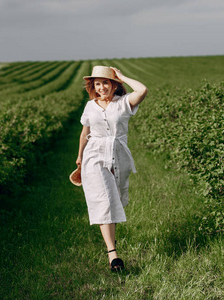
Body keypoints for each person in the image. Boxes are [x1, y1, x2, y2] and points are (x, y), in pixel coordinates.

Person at [76, 66, 147, 271]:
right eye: (97, 84)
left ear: (114, 84)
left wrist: (123, 77)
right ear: (93, 87)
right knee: (104, 198)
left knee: (113, 199)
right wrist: (80, 156)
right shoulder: (90, 106)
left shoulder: (123, 103)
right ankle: (112, 255)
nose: (101, 87)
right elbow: (84, 133)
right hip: (94, 155)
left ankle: (112, 248)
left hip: (119, 156)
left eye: (105, 83)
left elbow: (142, 90)